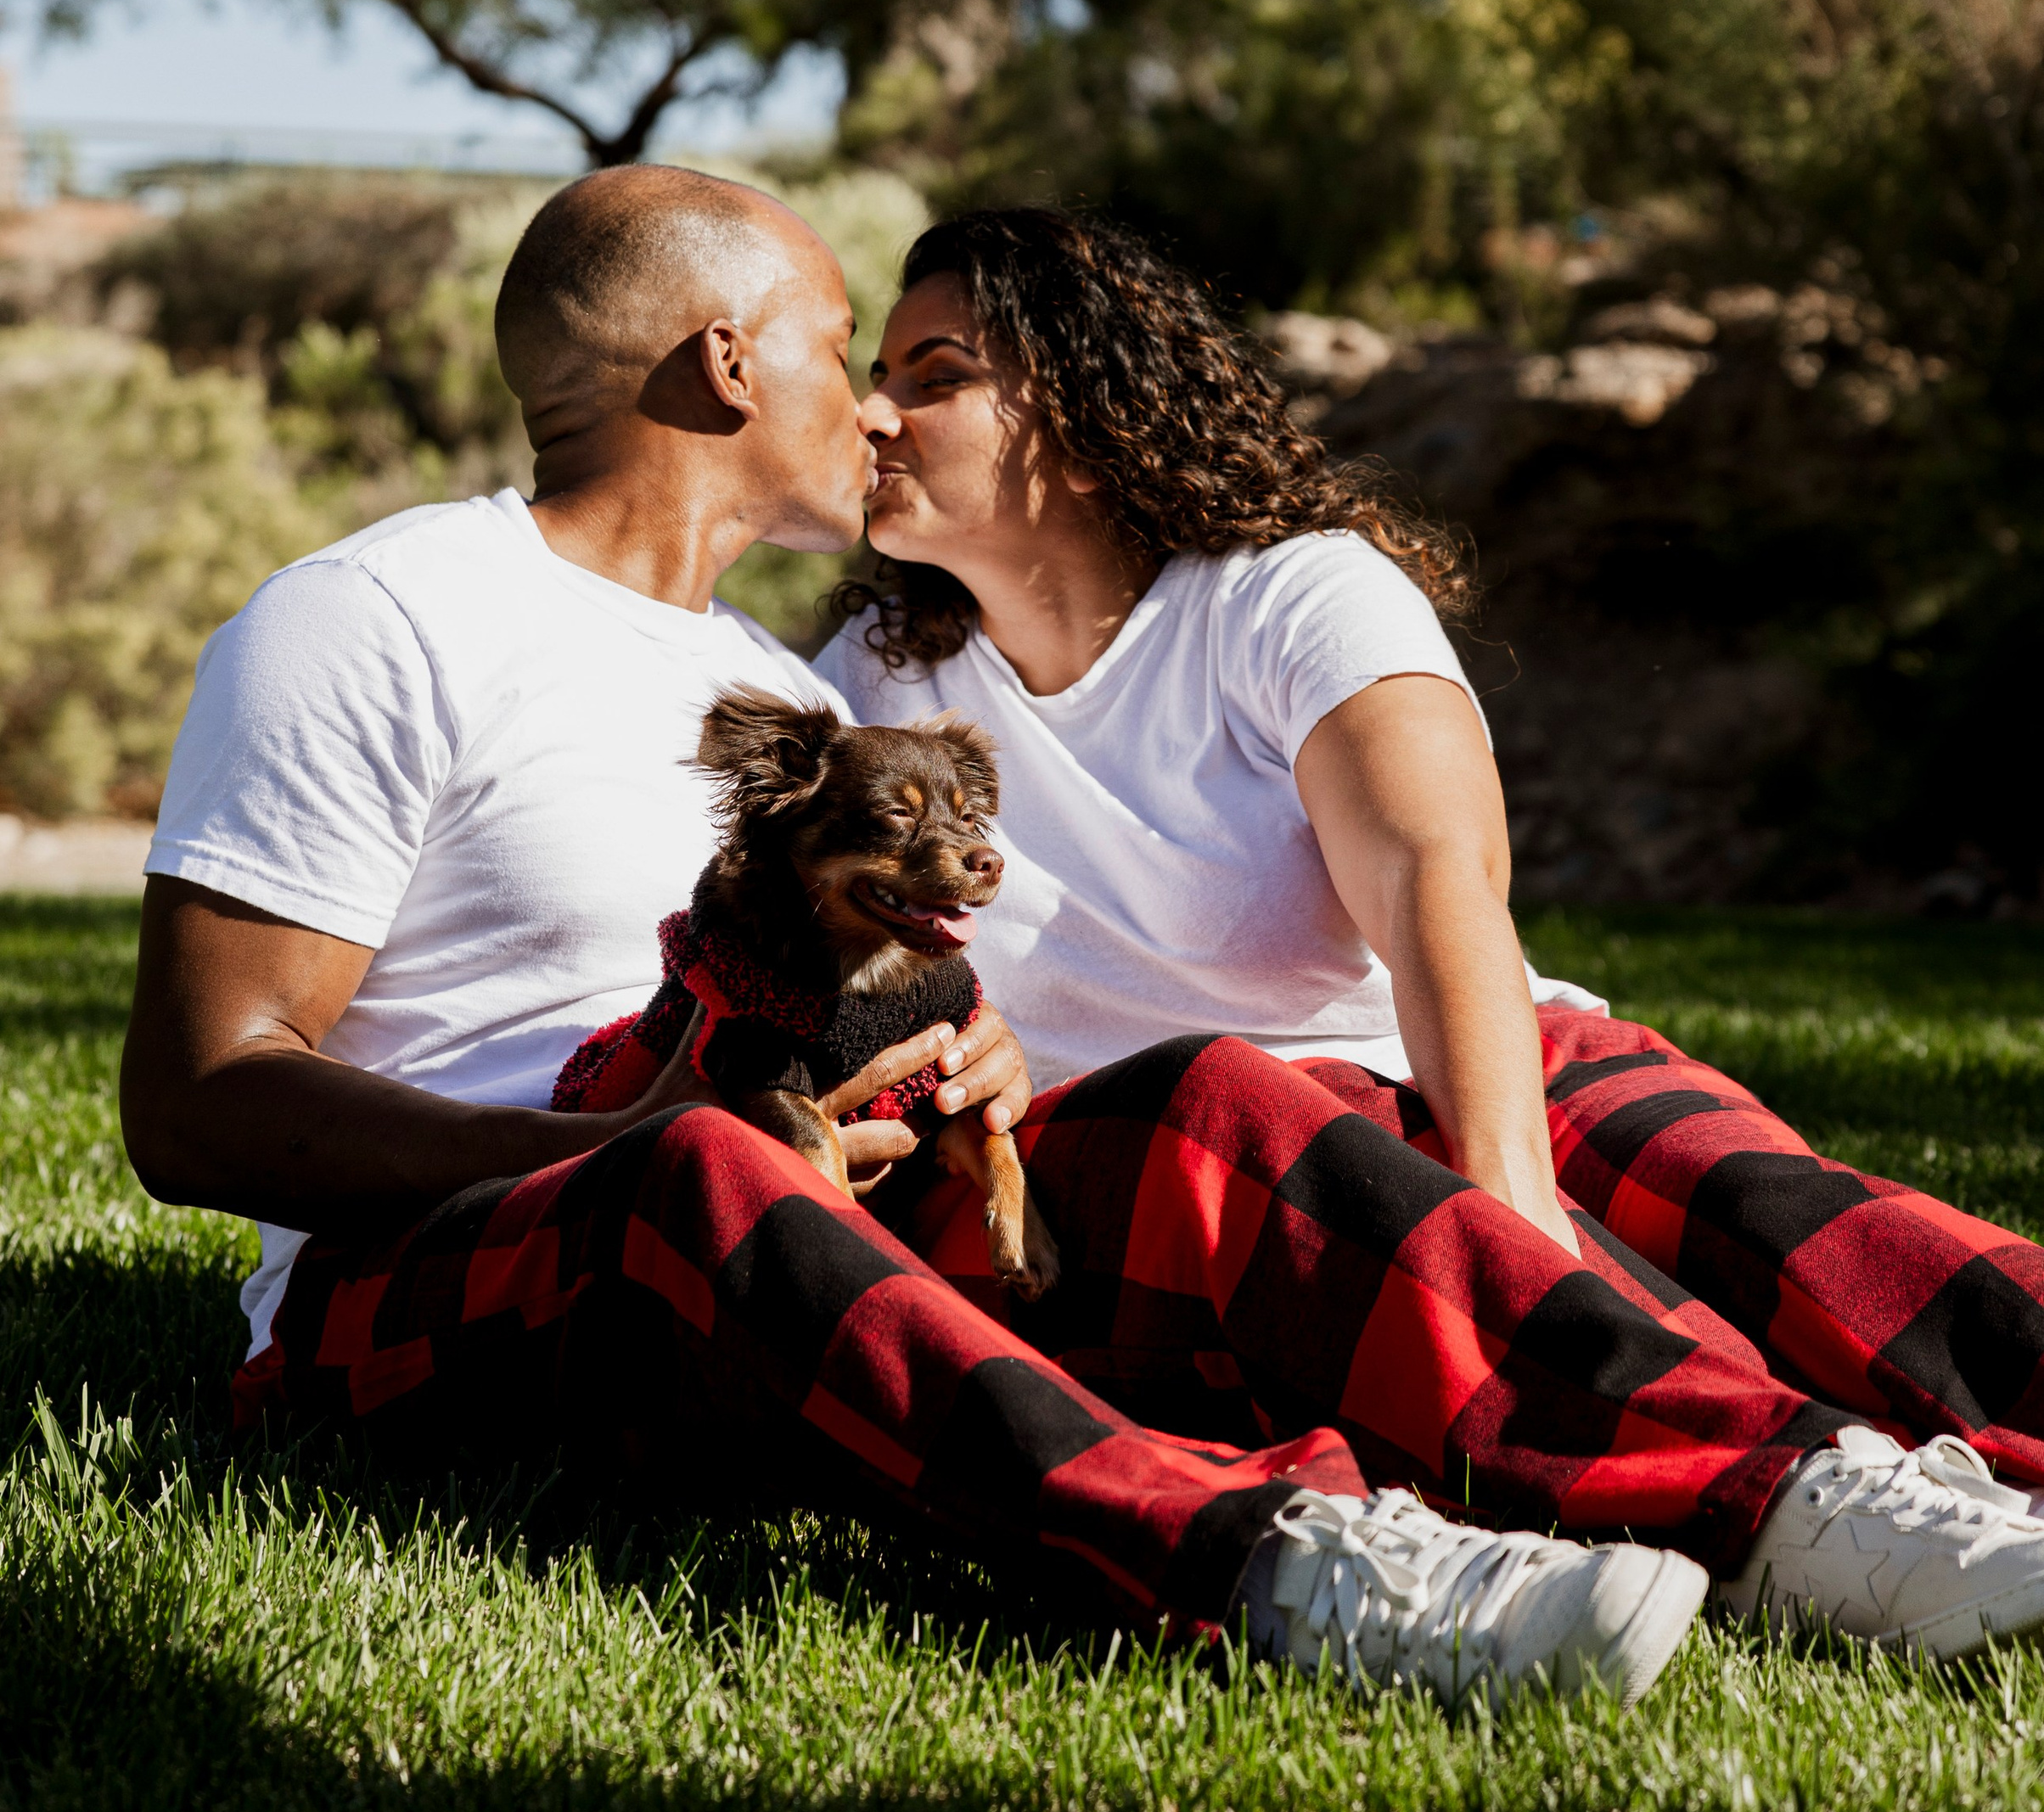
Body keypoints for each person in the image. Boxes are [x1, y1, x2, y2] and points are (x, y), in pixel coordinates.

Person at [118, 166, 1710, 1715]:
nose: (873, 411)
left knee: (1195, 1103)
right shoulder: (381, 615)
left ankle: (1704, 1467)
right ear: (728, 362)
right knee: (705, 1174)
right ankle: (1276, 1561)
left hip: (781, 1220)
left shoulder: (806, 700)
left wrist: (971, 1047)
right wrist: (594, 1142)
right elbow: (200, 1099)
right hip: (450, 1281)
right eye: (839, 352)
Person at [817, 203, 2044, 1663]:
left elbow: (1434, 884)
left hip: (1467, 1033)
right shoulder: (872, 689)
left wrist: (1515, 1205)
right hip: (1232, 1147)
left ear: (1082, 422)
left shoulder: (1285, 592)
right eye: (874, 373)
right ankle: (1840, 1508)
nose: (873, 412)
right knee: (1453, 1232)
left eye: (934, 373)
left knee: (1763, 1208)